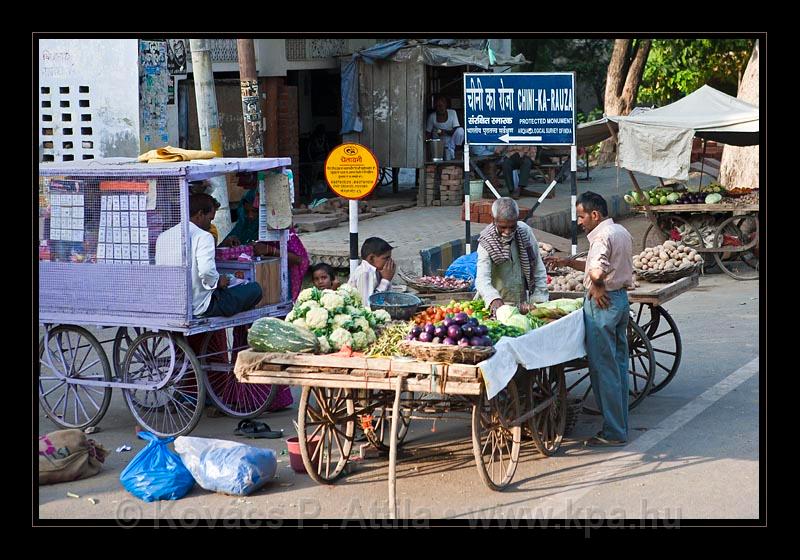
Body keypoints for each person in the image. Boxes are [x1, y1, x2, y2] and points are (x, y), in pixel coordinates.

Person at [544, 191, 634, 447]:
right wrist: (568, 263)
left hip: (602, 306)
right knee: (617, 367)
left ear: (595, 215)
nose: (580, 222)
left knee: (603, 370)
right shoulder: (620, 231)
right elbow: (606, 265)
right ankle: (620, 426)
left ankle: (614, 432)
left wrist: (596, 285)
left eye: (582, 217)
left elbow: (597, 270)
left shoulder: (602, 237)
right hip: (620, 301)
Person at [155, 193, 262, 317]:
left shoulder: (163, 236)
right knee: (255, 289)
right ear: (200, 214)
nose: (210, 225)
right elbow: (206, 271)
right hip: (199, 306)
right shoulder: (203, 236)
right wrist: (218, 282)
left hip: (169, 303)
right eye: (210, 219)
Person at [220, 189, 310, 300]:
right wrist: (228, 243)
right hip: (246, 283)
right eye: (246, 212)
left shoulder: (279, 228)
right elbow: (219, 250)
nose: (250, 216)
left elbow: (299, 260)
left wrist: (270, 250)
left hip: (275, 283)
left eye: (254, 212)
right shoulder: (243, 226)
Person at [476, 198, 548, 314]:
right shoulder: (486, 241)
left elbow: (538, 268)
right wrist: (494, 298)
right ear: (494, 220)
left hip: (522, 303)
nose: (508, 232)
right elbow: (482, 279)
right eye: (502, 227)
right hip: (496, 306)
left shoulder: (524, 232)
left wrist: (539, 300)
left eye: (512, 226)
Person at [348, 237, 395, 310]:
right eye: (386, 258)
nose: (390, 261)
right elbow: (367, 305)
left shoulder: (376, 270)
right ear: (371, 258)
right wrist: (386, 280)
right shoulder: (365, 273)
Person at [426, 94, 465, 161]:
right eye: (438, 106)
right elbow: (428, 133)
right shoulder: (432, 116)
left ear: (446, 105)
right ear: (435, 107)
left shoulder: (452, 113)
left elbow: (456, 130)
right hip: (438, 145)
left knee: (460, 130)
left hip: (451, 143)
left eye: (442, 106)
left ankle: (457, 151)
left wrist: (445, 132)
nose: (440, 108)